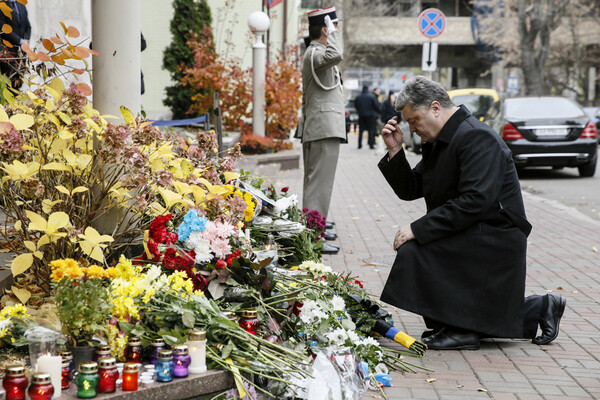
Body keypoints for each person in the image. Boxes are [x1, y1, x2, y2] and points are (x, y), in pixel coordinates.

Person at [378, 76, 566, 350]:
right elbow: (411, 188)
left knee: (416, 250)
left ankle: (463, 330)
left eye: (414, 120)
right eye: (408, 123)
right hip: (474, 229)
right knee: (418, 248)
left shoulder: (476, 136)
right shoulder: (441, 140)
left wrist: (417, 228)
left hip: (496, 235)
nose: (412, 128)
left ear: (434, 108)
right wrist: (395, 150)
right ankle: (537, 307)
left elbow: (476, 201)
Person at [301, 6, 346, 254]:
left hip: (322, 126)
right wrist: (333, 30)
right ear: (324, 29)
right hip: (322, 127)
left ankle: (314, 227)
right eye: (333, 27)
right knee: (319, 184)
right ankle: (313, 236)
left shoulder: (316, 52)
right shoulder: (316, 53)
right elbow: (336, 53)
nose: (336, 31)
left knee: (318, 183)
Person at [0, 0, 31, 89]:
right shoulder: (2, 6)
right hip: (7, 52)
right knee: (8, 82)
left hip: (21, 51)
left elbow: (28, 26)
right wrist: (20, 41)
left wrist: (26, 40)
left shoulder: (21, 5)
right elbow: (3, 28)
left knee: (18, 81)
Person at [354, 85, 381, 149]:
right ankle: (371, 145)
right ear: (368, 89)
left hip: (361, 116)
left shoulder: (358, 97)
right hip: (370, 116)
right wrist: (380, 112)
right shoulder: (371, 97)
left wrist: (359, 112)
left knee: (361, 131)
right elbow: (376, 106)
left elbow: (356, 106)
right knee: (371, 130)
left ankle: (359, 144)